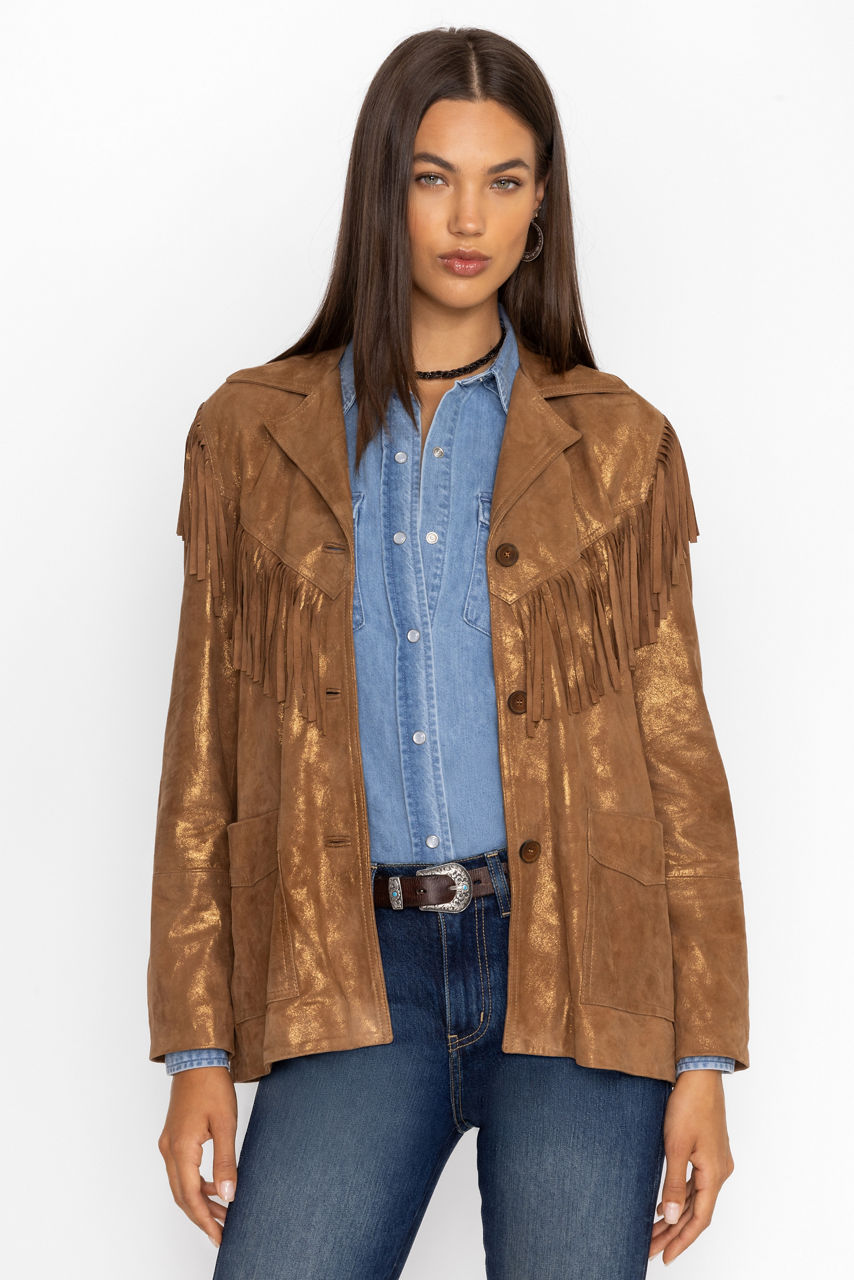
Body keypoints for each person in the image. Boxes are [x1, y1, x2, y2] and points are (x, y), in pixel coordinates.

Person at [147, 26, 750, 1279]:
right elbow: (201, 758)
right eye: (433, 177)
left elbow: (677, 765)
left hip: (578, 967)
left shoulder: (618, 446)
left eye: (503, 179)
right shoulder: (250, 438)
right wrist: (196, 1048)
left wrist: (702, 1057)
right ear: (385, 191)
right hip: (348, 966)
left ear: (540, 206)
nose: (468, 217)